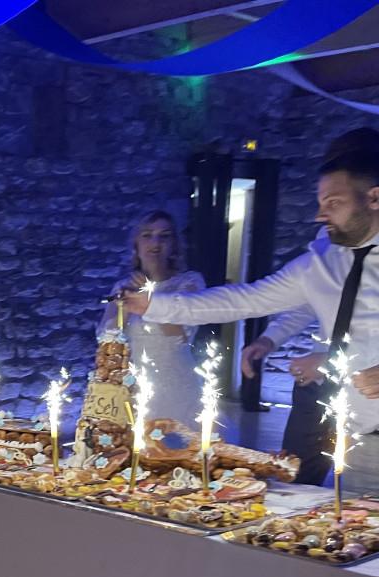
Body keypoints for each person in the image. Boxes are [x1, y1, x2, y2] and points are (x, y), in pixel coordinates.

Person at [123, 146, 379, 489]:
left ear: (373, 198)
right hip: (364, 439)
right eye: (320, 203)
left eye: (333, 203)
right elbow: (244, 299)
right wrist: (155, 305)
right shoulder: (320, 262)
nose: (320, 215)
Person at [237, 129, 379, 484]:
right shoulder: (331, 239)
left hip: (353, 375)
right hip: (321, 382)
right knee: (298, 474)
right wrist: (269, 339)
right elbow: (306, 299)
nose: (323, 213)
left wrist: (330, 361)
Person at [99, 210, 205, 422]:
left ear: (173, 244)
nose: (155, 242)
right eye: (147, 235)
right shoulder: (122, 287)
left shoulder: (190, 283)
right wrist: (127, 306)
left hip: (175, 385)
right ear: (136, 245)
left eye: (164, 236)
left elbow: (181, 336)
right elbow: (105, 337)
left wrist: (151, 300)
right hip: (131, 384)